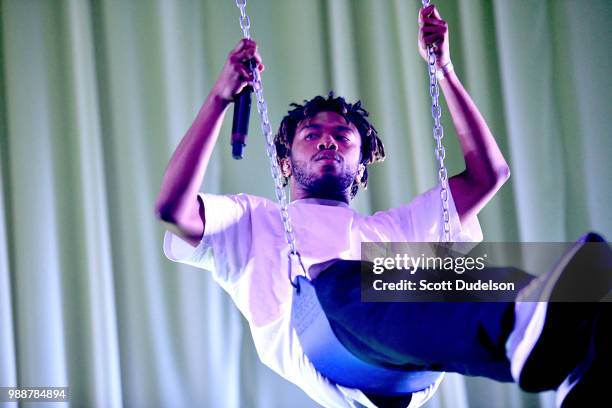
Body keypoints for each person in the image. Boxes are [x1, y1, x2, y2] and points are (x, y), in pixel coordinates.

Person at [155, 5, 610, 407]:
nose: (328, 140)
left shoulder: (393, 229)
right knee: (343, 275)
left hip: (414, 365)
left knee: (471, 267)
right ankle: (521, 322)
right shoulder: (253, 219)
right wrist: (220, 99)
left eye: (343, 136)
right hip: (328, 349)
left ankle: (579, 354)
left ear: (361, 165)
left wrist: (444, 70)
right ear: (285, 164)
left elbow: (489, 175)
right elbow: (173, 208)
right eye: (311, 134)